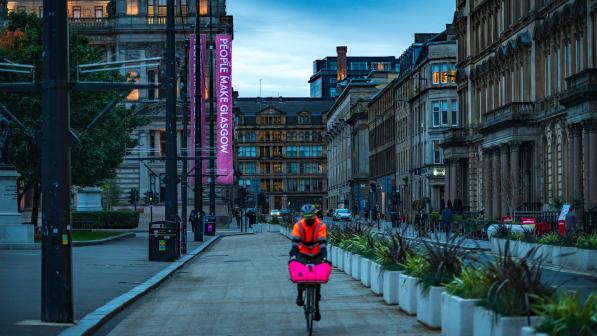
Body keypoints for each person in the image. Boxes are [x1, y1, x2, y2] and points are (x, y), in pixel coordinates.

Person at [289, 204, 327, 321]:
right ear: (303, 216)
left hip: (316, 252)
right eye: (307, 217)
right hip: (302, 252)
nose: (309, 219)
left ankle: (317, 306)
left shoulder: (320, 225)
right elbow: (295, 241)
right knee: (299, 272)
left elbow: (322, 242)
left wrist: (324, 256)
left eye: (311, 216)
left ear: (314, 215)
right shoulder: (298, 225)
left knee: (318, 276)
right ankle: (300, 294)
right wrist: (294, 255)